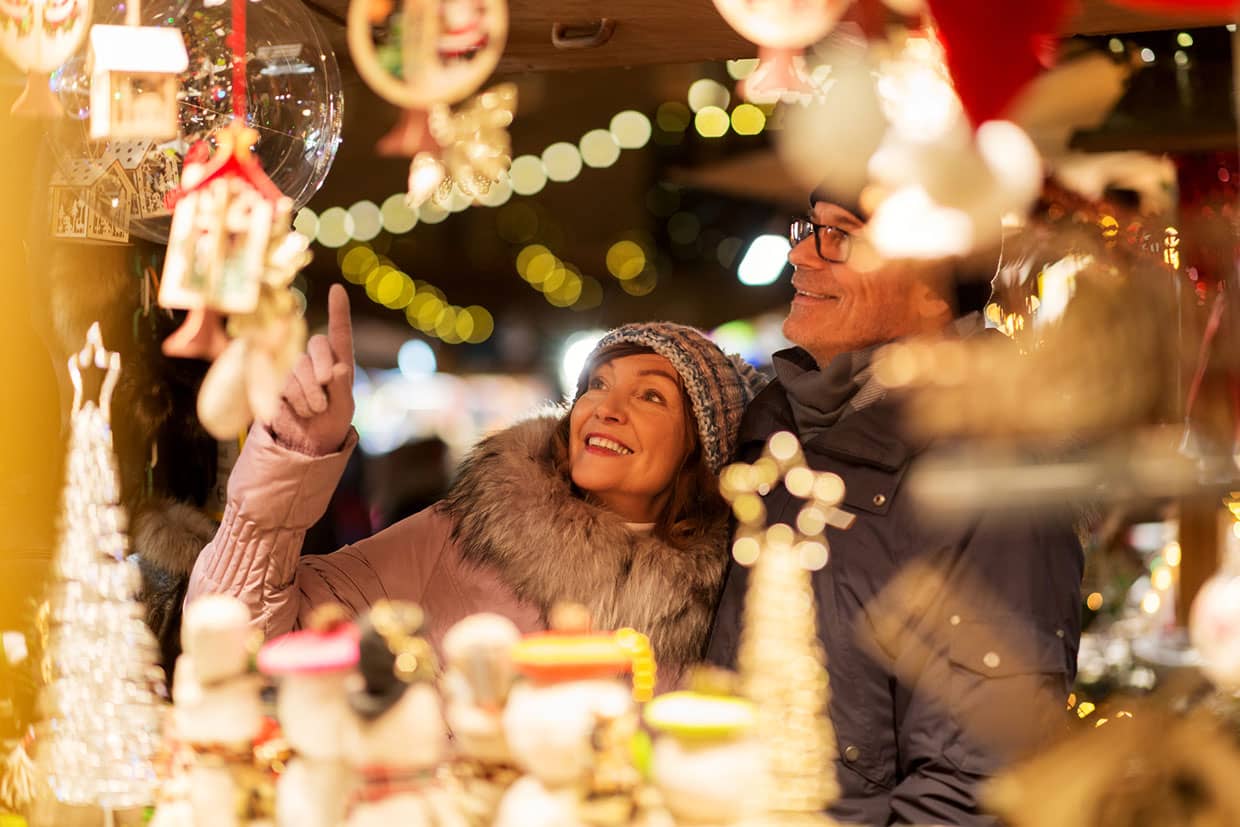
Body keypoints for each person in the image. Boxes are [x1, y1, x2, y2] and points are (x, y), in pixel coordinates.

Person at [705, 192, 1084, 826]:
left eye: (840, 236)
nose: (800, 254)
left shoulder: (993, 460)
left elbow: (977, 780)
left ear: (935, 281)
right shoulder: (776, 425)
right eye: (808, 229)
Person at [186, 285, 765, 682]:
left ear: (701, 448)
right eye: (598, 384)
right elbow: (239, 636)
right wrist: (294, 455)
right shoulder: (464, 536)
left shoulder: (725, 603)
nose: (605, 408)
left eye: (650, 396)